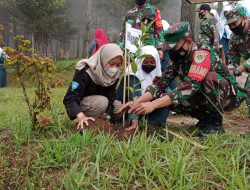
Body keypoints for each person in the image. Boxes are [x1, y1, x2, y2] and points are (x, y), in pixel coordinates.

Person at [119, 22, 247, 137]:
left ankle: (215, 123)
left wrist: (153, 105)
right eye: (169, 49)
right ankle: (205, 120)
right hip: (203, 96)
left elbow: (190, 86)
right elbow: (160, 84)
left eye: (174, 47)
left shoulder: (201, 54)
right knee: (166, 97)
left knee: (209, 79)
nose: (172, 51)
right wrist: (137, 102)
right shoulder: (177, 60)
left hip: (228, 97)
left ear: (189, 42)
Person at [63, 44, 123, 130]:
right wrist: (81, 116)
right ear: (103, 59)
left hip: (100, 103)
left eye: (118, 65)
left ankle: (102, 122)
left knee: (118, 106)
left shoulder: (114, 75)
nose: (114, 68)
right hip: (83, 104)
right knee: (102, 102)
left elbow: (111, 97)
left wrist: (107, 117)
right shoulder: (85, 71)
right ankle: (89, 123)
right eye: (112, 64)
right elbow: (70, 98)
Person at [116, 45, 168, 131]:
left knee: (162, 99)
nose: (149, 64)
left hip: (149, 108)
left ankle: (154, 126)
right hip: (130, 108)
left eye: (152, 62)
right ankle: (136, 121)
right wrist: (134, 121)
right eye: (145, 62)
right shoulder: (132, 74)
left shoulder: (159, 74)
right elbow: (133, 98)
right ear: (140, 61)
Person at [225, 6, 250, 116]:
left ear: (244, 18)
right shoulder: (234, 37)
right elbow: (233, 58)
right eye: (229, 25)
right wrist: (230, 71)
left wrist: (241, 68)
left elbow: (240, 67)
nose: (232, 27)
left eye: (234, 23)